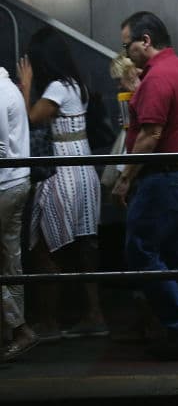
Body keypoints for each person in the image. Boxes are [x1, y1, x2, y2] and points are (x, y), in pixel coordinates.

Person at [113, 12, 178, 360]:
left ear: (146, 41)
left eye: (128, 45)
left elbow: (151, 135)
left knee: (140, 252)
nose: (126, 53)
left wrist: (125, 178)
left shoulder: (157, 78)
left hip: (163, 177)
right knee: (174, 254)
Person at [18, 27, 107, 341]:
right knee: (83, 246)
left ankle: (49, 321)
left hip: (63, 173)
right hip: (82, 170)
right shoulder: (75, 84)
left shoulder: (56, 86)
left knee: (45, 247)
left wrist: (26, 85)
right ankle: (94, 314)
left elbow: (30, 117)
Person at [0, 64, 36, 361]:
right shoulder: (9, 87)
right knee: (11, 261)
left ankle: (19, 328)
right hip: (17, 181)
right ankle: (12, 332)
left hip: (4, 185)